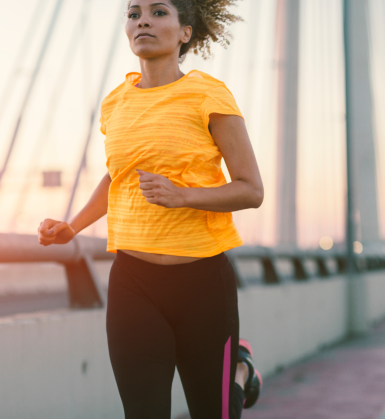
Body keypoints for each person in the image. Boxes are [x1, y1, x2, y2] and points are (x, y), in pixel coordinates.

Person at [37, 0, 263, 417]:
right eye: (133, 12)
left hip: (202, 283)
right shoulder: (115, 103)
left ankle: (241, 373)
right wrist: (72, 227)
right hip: (133, 282)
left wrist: (184, 195)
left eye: (159, 12)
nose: (142, 19)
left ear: (185, 33)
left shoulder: (207, 93)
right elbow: (117, 178)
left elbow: (251, 190)